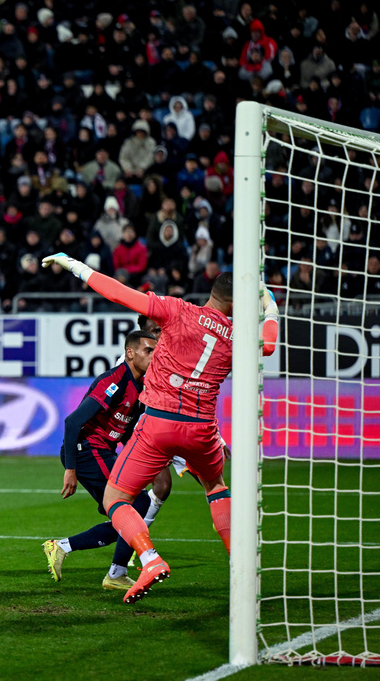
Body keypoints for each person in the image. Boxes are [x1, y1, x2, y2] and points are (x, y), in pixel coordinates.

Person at [42, 252, 279, 604]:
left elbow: (119, 293)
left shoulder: (178, 310)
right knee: (215, 486)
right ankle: (241, 569)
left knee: (116, 499)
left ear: (212, 292)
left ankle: (149, 560)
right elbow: (270, 345)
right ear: (238, 302)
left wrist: (74, 265)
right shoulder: (237, 335)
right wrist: (270, 307)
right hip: (203, 429)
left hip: (160, 423)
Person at [43, 331, 158, 592]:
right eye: (148, 351)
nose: (153, 356)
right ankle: (116, 572)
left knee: (128, 514)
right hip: (87, 451)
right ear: (130, 353)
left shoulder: (141, 387)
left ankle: (63, 547)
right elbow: (73, 422)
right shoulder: (114, 381)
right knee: (136, 504)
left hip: (102, 452)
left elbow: (126, 433)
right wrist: (70, 469)